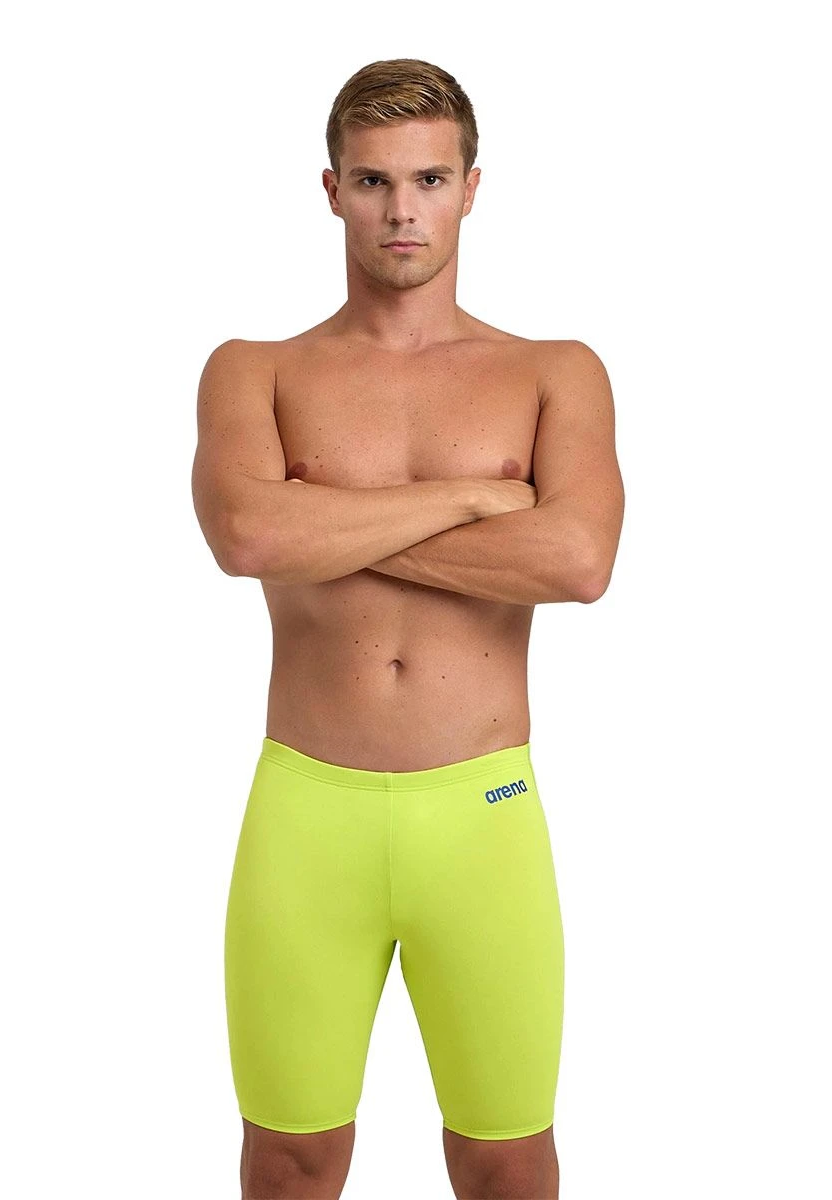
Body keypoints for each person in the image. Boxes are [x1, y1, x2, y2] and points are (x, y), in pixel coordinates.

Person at [191, 56, 624, 1200]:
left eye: (429, 179)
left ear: (471, 189)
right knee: (290, 1159)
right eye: (373, 180)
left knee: (504, 1159)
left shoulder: (553, 372)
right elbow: (247, 535)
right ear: (330, 189)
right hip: (307, 812)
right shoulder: (253, 370)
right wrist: (476, 500)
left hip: (481, 813)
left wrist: (321, 522)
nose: (401, 210)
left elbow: (576, 562)